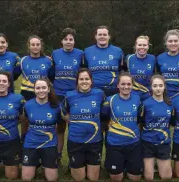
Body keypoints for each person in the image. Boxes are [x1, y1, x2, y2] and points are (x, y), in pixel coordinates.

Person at [62, 68, 105, 181]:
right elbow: (63, 112)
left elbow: (105, 112)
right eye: (81, 79)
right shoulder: (69, 95)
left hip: (95, 141)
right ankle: (75, 164)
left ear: (91, 81)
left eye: (87, 79)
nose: (84, 81)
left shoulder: (99, 94)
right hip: (76, 141)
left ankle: (88, 163)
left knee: (93, 178)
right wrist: (72, 121)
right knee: (79, 178)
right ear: (77, 81)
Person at [51, 27, 84, 163]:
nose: (68, 42)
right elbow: (51, 73)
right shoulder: (54, 54)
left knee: (74, 127)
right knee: (60, 127)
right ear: (62, 41)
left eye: (71, 39)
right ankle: (57, 157)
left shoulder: (81, 54)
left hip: (74, 96)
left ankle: (74, 158)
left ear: (74, 41)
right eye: (66, 39)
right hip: (58, 95)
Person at [103, 72, 143, 182]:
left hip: (133, 144)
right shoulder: (109, 100)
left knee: (135, 178)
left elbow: (140, 120)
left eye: (129, 84)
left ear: (132, 85)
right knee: (116, 178)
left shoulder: (138, 99)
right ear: (118, 85)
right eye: (123, 84)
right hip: (115, 144)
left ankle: (127, 165)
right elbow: (104, 118)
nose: (126, 87)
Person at [21, 78, 63, 181]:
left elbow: (60, 126)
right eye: (38, 88)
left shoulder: (56, 106)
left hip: (49, 144)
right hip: (31, 144)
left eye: (44, 87)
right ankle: (35, 164)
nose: (41, 90)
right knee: (26, 178)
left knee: (52, 179)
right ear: (34, 90)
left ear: (48, 89)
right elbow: (24, 121)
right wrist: (23, 138)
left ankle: (45, 163)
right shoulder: (27, 105)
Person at [140, 75, 173, 180]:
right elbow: (140, 123)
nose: (158, 88)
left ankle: (160, 165)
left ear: (164, 87)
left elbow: (171, 122)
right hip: (147, 142)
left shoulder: (170, 104)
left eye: (160, 85)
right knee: (149, 177)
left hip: (163, 143)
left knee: (166, 177)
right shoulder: (145, 104)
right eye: (155, 86)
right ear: (151, 87)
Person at [84, 25, 126, 96]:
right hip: (93, 90)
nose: (102, 37)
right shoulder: (87, 51)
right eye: (100, 34)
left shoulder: (118, 51)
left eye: (104, 35)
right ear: (95, 36)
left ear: (109, 36)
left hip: (114, 90)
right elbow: (84, 70)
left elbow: (123, 70)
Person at [19, 35, 54, 101]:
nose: (35, 47)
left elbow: (52, 78)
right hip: (27, 94)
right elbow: (13, 76)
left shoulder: (48, 60)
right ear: (29, 46)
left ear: (41, 46)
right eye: (33, 44)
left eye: (38, 44)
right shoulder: (22, 60)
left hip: (43, 93)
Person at [126, 36, 156, 101]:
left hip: (148, 93)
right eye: (139, 45)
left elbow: (156, 75)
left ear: (148, 46)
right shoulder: (129, 58)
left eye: (144, 45)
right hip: (132, 93)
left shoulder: (153, 59)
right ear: (135, 46)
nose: (142, 47)